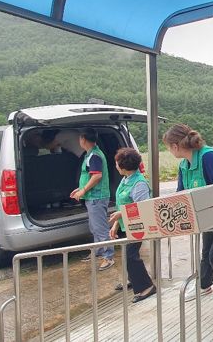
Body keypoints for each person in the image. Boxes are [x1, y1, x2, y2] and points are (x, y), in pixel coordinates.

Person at [163, 124, 213, 316]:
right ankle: (204, 285)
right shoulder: (184, 165)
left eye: (167, 146)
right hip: (208, 218)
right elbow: (180, 194)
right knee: (206, 253)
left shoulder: (208, 156)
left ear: (175, 146)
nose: (168, 150)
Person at [108, 148, 156, 303]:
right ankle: (133, 279)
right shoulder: (126, 179)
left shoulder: (139, 183)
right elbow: (122, 203)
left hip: (137, 225)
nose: (115, 166)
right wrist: (116, 224)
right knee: (126, 253)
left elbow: (141, 207)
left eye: (116, 164)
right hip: (125, 224)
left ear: (123, 167)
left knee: (131, 255)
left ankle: (146, 286)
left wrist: (120, 215)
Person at [70, 128, 114, 271]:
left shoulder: (94, 155)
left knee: (100, 228)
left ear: (83, 139)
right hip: (92, 196)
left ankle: (108, 257)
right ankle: (98, 251)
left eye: (79, 138)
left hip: (97, 197)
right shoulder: (91, 154)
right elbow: (90, 176)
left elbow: (97, 176)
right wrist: (80, 189)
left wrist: (83, 190)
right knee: (94, 226)